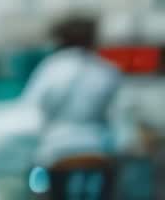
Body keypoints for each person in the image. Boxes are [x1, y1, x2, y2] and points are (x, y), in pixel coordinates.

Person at [20, 17, 122, 200]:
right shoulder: (105, 69)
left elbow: (31, 108)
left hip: (57, 150)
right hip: (99, 147)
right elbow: (119, 111)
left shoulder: (51, 68)